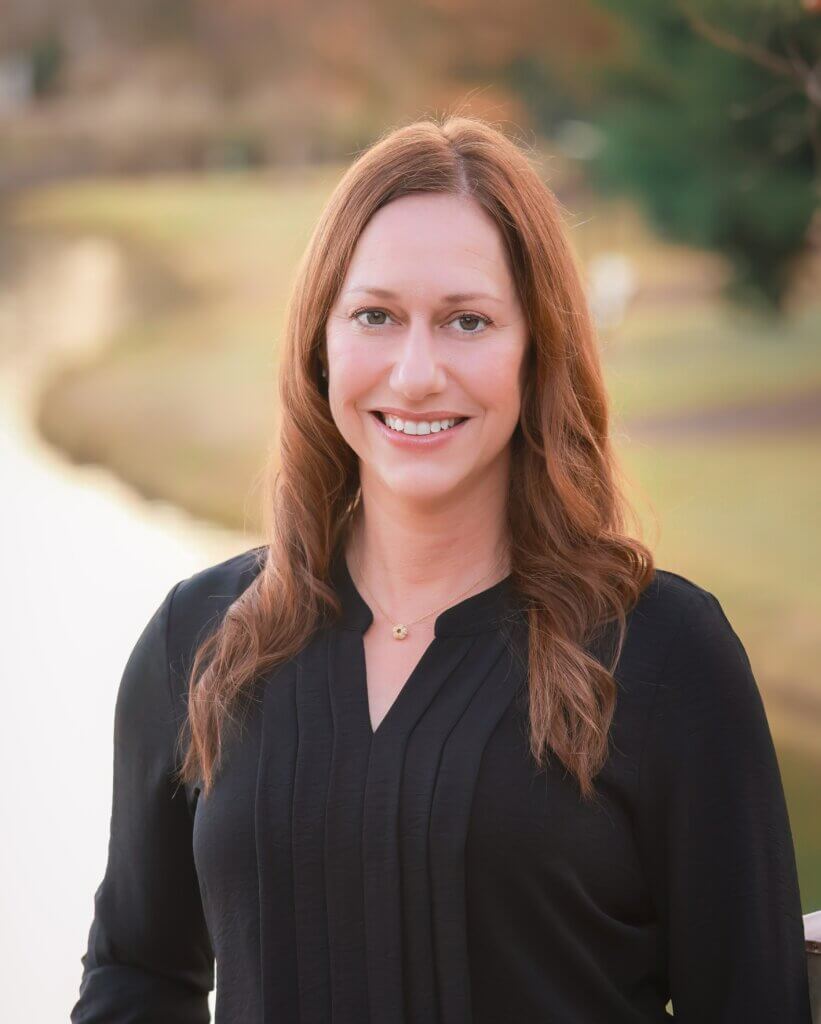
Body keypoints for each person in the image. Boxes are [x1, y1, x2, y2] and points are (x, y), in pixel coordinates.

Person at [70, 115, 813, 1023]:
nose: (416, 373)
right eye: (375, 316)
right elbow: (137, 973)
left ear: (535, 350)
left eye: (467, 321)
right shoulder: (198, 639)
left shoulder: (663, 656)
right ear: (321, 343)